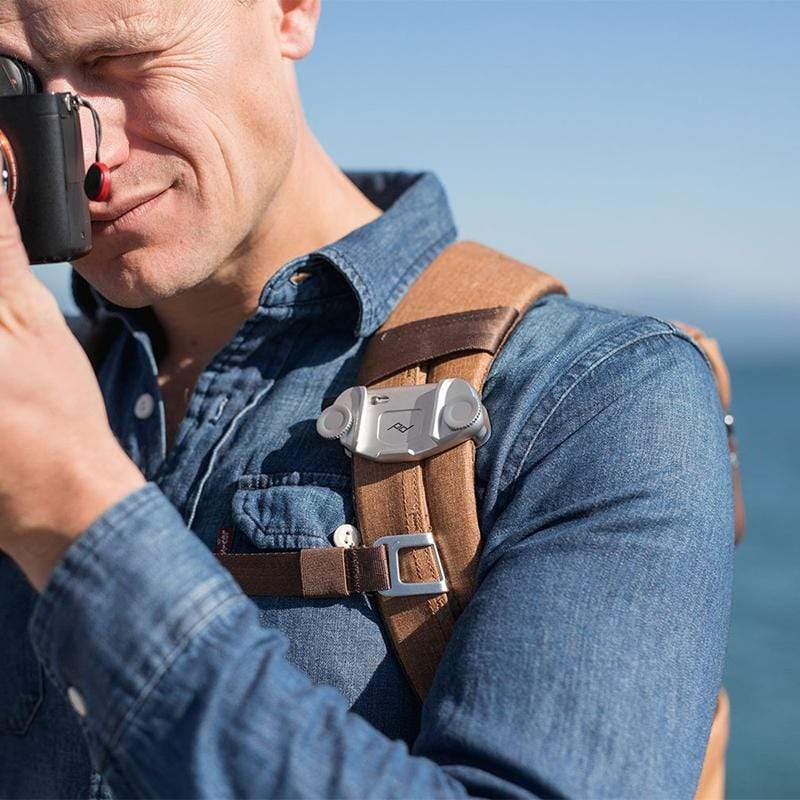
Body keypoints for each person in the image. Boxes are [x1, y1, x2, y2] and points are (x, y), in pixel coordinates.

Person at [0, 1, 733, 797]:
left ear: (290, 11)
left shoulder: (597, 397)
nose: (83, 159)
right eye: (16, 88)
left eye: (122, 62)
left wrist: (75, 515)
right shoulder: (37, 378)